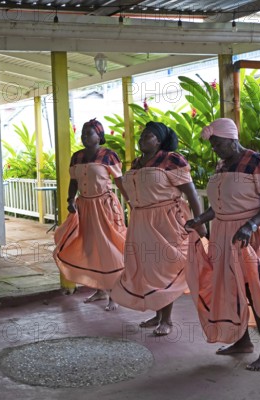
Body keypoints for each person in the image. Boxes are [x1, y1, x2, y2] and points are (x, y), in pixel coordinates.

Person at [184, 118, 260, 371]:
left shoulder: (258, 162)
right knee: (230, 287)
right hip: (223, 234)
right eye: (212, 144)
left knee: (255, 289)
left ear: (231, 138)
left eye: (217, 143)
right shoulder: (222, 165)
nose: (214, 148)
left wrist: (250, 225)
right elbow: (218, 206)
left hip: (248, 234)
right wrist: (199, 219)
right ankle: (242, 342)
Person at [109, 122, 206, 336]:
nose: (142, 139)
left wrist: (199, 222)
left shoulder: (172, 160)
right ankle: (158, 314)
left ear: (159, 140)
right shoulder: (136, 163)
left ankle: (167, 320)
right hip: (141, 220)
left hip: (166, 220)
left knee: (164, 268)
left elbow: (191, 194)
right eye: (142, 135)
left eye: (149, 136)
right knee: (148, 268)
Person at [53, 119, 127, 311]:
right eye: (83, 133)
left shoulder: (109, 156)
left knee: (109, 249)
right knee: (90, 248)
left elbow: (120, 182)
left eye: (89, 133)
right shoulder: (76, 157)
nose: (85, 137)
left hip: (104, 207)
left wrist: (132, 202)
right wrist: (70, 200)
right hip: (84, 207)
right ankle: (101, 289)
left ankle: (115, 294)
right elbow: (74, 181)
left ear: (99, 136)